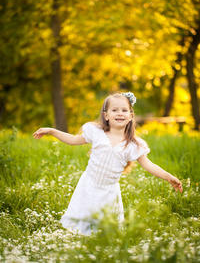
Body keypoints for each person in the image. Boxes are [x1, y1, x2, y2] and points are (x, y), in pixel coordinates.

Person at [33, 92, 183, 235]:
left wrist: (168, 176)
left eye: (124, 110)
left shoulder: (133, 145)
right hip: (89, 185)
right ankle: (78, 241)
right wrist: (52, 131)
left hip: (109, 191)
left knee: (105, 228)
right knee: (82, 220)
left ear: (130, 116)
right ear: (106, 115)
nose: (119, 113)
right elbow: (73, 140)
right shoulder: (97, 133)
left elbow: (149, 165)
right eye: (115, 110)